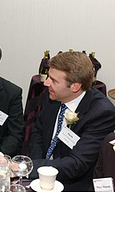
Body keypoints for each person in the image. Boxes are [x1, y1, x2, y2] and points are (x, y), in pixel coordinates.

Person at [28, 51, 115, 191]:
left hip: (71, 185)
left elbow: (77, 163)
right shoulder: (53, 95)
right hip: (38, 175)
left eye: (54, 80)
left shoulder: (102, 113)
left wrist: (30, 167)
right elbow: (37, 132)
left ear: (75, 87)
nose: (46, 83)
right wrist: (36, 168)